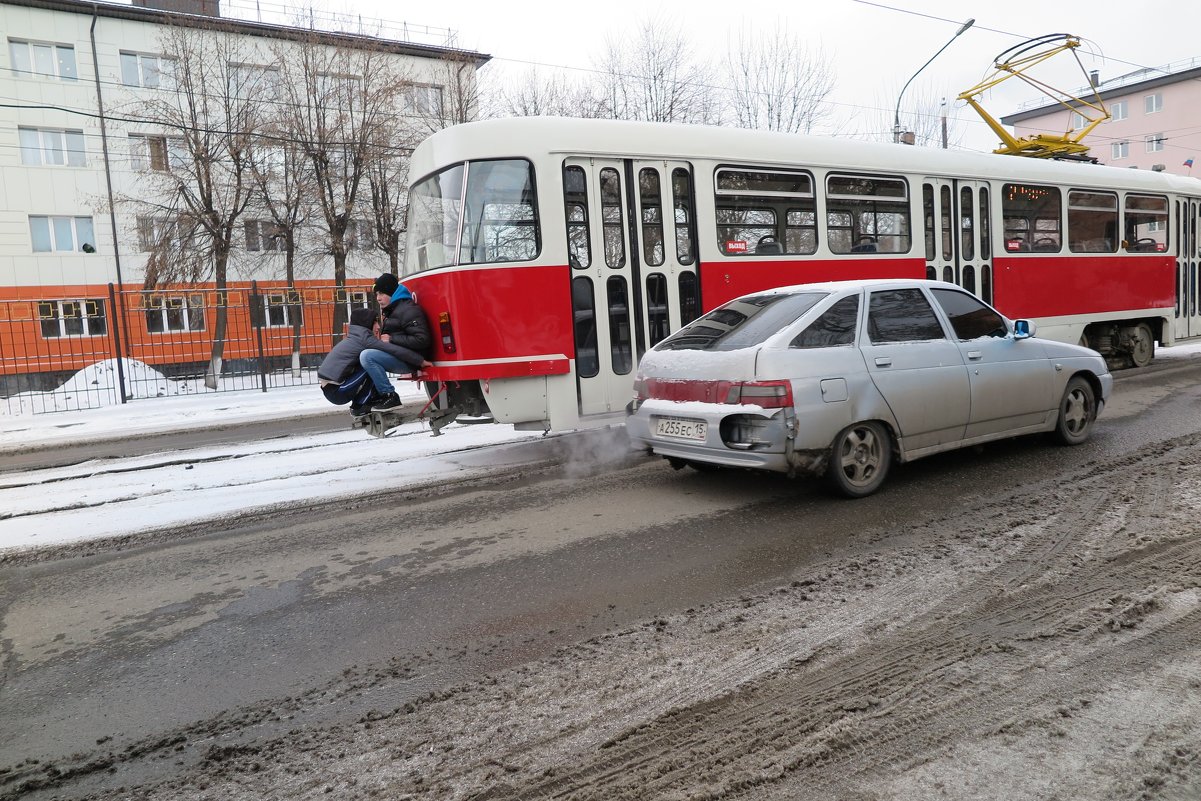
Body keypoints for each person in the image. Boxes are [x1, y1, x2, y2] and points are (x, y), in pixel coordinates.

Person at [317, 307, 425, 416]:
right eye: (375, 323)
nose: (378, 327)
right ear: (366, 324)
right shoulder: (365, 340)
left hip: (332, 389)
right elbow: (393, 350)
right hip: (338, 391)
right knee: (370, 362)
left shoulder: (355, 338)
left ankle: (361, 404)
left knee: (367, 364)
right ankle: (389, 396)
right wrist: (420, 361)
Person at [361, 273, 433, 411]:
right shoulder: (393, 310)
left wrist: (392, 339)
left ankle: (389, 396)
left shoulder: (407, 310)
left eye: (381, 293)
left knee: (367, 356)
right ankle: (370, 398)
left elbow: (422, 340)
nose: (378, 298)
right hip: (401, 355)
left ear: (391, 292)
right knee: (363, 354)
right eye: (376, 295)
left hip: (410, 360)